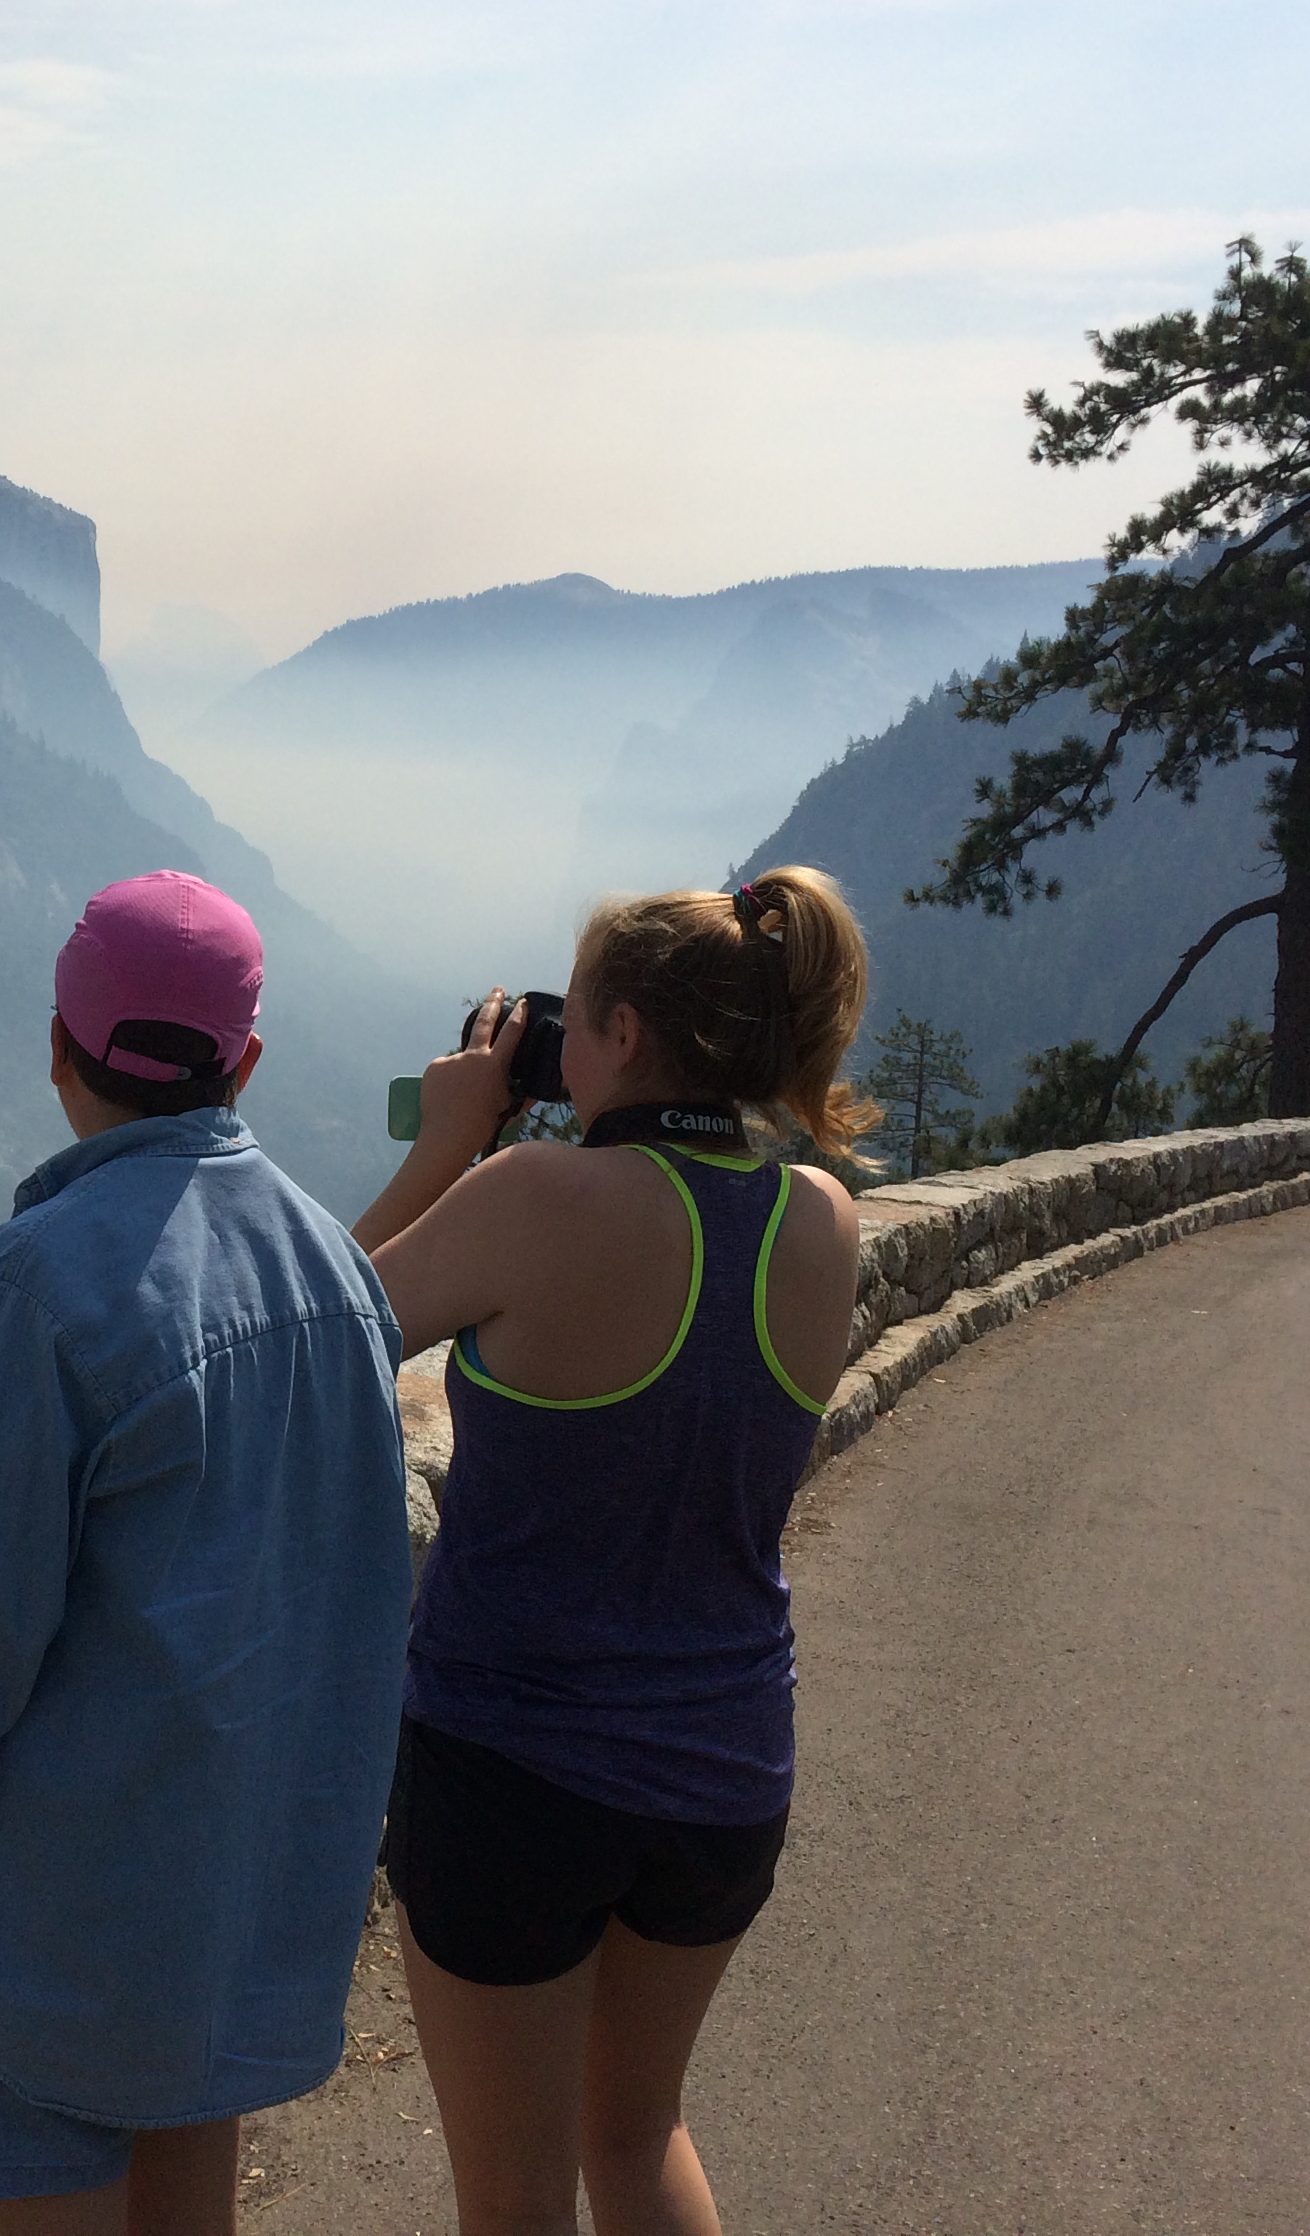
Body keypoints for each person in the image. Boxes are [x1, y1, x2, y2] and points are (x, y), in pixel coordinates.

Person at [0, 871, 414, 2236]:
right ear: (244, 1064)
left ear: (57, 1048)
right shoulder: (336, 1275)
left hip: (45, 1949)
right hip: (220, 1931)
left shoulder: (41, 1283)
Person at [353, 869, 876, 2236]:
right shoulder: (821, 1221)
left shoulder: (532, 1196)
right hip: (725, 1772)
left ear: (626, 1034)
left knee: (514, 2198)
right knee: (637, 2136)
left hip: (512, 1772)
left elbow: (308, 1339)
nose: (557, 1046)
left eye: (571, 1020)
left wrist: (449, 1144)